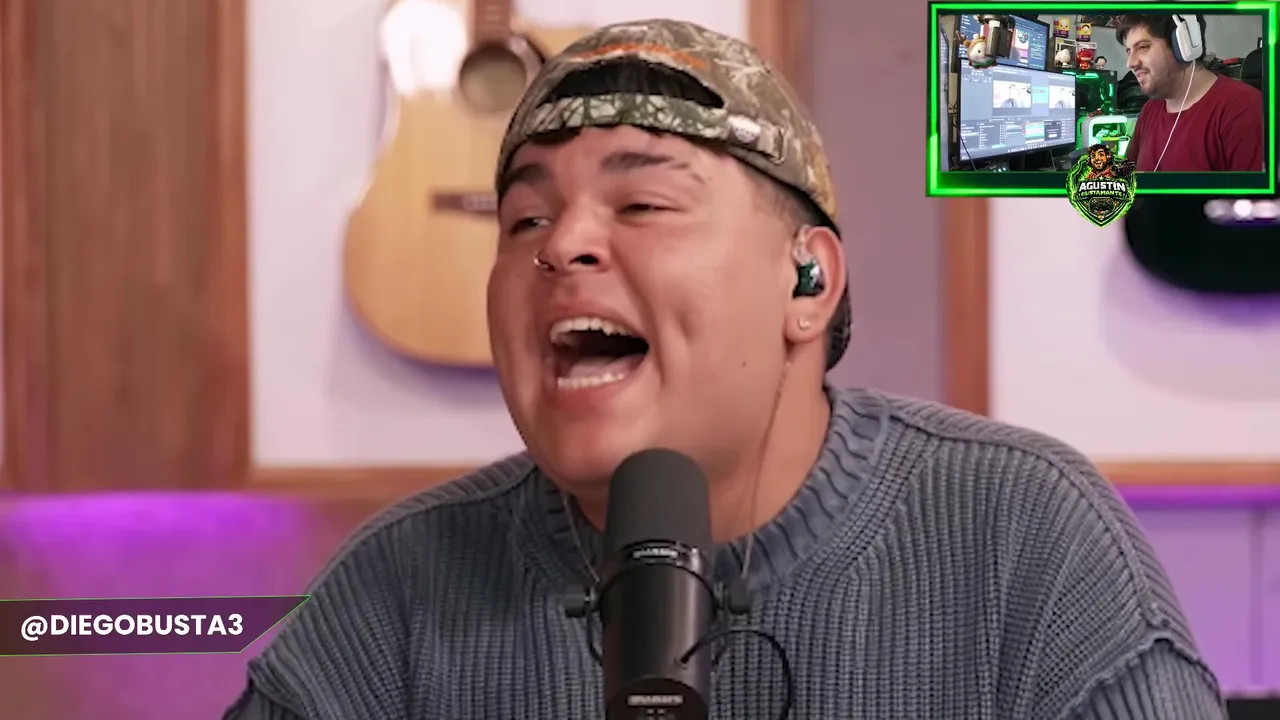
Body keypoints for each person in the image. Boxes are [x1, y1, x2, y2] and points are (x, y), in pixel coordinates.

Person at [224, 19, 1227, 719]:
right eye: (523, 218)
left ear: (806, 280)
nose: (560, 245)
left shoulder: (1024, 537)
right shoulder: (397, 591)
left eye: (641, 206)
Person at [1120, 13, 1265, 172]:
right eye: (1128, 51)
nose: (1130, 63)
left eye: (1142, 47)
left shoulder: (1244, 108)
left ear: (1183, 46)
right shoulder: (1150, 109)